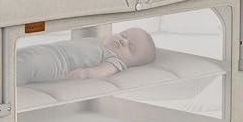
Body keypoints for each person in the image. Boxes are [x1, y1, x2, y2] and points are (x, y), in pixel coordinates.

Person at [17, 27, 156, 85]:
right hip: (48, 50)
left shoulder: (115, 61)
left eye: (130, 47)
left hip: (57, 64)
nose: (123, 41)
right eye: (123, 35)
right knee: (22, 56)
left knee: (29, 65)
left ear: (132, 63)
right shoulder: (99, 42)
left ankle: (6, 81)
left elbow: (102, 71)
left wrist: (85, 74)